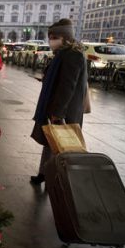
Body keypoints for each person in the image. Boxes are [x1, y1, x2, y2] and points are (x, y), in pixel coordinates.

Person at [30, 19, 88, 184]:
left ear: (65, 37)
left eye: (54, 37)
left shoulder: (73, 55)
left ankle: (57, 178)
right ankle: (45, 173)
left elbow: (68, 86)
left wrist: (58, 113)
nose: (51, 40)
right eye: (50, 36)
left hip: (64, 110)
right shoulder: (63, 53)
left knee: (62, 145)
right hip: (56, 107)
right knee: (51, 142)